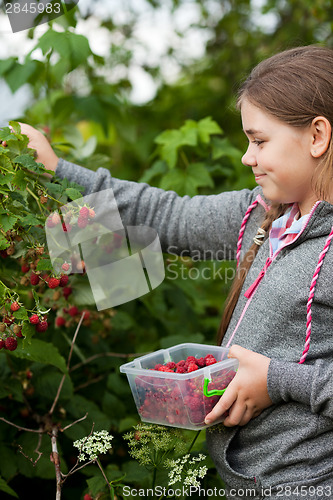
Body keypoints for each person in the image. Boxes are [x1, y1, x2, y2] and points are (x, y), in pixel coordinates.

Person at [20, 45, 333, 499]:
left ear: (318, 135)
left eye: (259, 141)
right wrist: (56, 171)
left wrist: (275, 380)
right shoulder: (261, 216)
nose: (248, 156)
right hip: (245, 485)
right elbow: (166, 215)